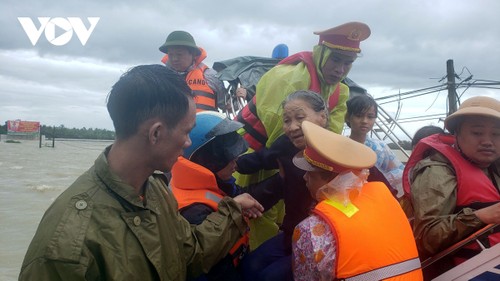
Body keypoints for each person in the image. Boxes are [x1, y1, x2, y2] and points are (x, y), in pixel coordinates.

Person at [18, 65, 263, 281]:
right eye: (186, 132)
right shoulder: (67, 243)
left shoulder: (154, 189)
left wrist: (233, 210)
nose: (188, 143)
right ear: (156, 133)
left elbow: (188, 254)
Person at [235, 21, 371, 249]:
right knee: (256, 216)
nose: (340, 69)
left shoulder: (342, 91)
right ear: (321, 53)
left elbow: (328, 140)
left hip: (297, 159)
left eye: (348, 63)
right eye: (335, 59)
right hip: (257, 149)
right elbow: (284, 134)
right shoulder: (290, 79)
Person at [292, 121, 423, 281]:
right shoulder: (389, 202)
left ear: (331, 179)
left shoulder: (310, 231)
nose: (304, 178)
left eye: (310, 174)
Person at [403, 96, 500, 277]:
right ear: (456, 134)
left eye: (496, 134)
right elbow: (426, 239)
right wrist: (480, 216)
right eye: (477, 133)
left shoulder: (493, 167)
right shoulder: (437, 172)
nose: (488, 141)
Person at [238, 90, 328, 281]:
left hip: (323, 243)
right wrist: (226, 163)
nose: (292, 127)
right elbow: (260, 160)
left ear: (322, 117)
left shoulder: (338, 153)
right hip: (291, 233)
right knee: (248, 265)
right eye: (287, 120)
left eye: (300, 118)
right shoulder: (286, 147)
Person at [169, 111, 251, 281]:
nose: (235, 161)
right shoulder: (194, 212)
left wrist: (281, 181)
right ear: (207, 159)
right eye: (228, 156)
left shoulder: (213, 184)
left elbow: (246, 196)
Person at [345, 94, 405, 198]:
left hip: (374, 197)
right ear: (348, 117)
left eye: (370, 117)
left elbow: (400, 172)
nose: (364, 121)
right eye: (359, 115)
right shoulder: (339, 145)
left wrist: (380, 182)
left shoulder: (380, 147)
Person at [159, 30, 227, 112]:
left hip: (204, 124)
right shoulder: (160, 78)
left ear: (194, 54)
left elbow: (228, 106)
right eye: (171, 54)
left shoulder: (210, 76)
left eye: (179, 54)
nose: (174, 59)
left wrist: (242, 93)